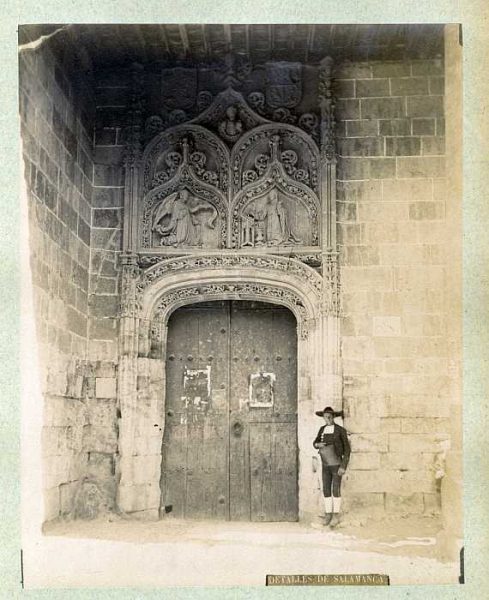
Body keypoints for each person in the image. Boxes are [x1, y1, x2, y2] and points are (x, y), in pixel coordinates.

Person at [313, 406, 350, 527]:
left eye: (329, 416)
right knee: (326, 489)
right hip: (325, 464)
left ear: (333, 417)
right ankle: (328, 514)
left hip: (336, 464)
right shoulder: (322, 429)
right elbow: (315, 443)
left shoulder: (340, 430)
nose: (327, 418)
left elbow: (347, 450)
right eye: (325, 416)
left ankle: (335, 515)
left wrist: (343, 466)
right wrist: (318, 444)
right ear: (323, 417)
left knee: (336, 489)